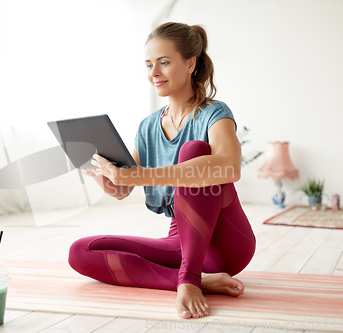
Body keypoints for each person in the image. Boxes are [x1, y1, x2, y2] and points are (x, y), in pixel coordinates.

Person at [68, 22, 256, 320]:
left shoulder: (214, 114)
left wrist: (135, 176)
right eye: (148, 64)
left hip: (225, 244)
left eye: (164, 63)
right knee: (81, 250)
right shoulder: (147, 126)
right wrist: (102, 174)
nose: (153, 72)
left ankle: (189, 278)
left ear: (190, 63)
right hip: (179, 240)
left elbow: (229, 167)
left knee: (193, 152)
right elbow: (122, 189)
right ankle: (195, 280)